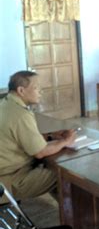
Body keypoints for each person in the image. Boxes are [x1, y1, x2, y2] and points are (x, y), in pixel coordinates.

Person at [0, 71, 76, 203]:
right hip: (12, 180)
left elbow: (19, 137)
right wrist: (65, 141)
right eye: (36, 88)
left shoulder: (6, 104)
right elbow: (40, 152)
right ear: (21, 90)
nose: (41, 91)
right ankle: (77, 218)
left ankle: (70, 214)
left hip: (6, 174)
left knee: (54, 167)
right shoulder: (20, 115)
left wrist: (50, 136)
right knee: (67, 174)